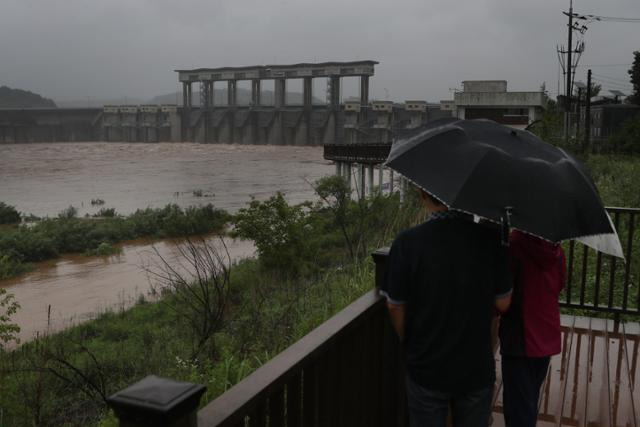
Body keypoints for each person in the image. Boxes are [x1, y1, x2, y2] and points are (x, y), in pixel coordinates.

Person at [381, 189, 512, 427]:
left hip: (427, 364)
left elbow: (394, 306)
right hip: (475, 366)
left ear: (423, 194)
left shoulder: (407, 242)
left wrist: (406, 340)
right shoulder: (491, 240)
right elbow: (503, 302)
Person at [499, 230, 566, 427]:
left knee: (517, 404)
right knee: (529, 398)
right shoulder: (555, 247)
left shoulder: (515, 244)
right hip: (546, 333)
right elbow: (560, 283)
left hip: (521, 335)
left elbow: (504, 291)